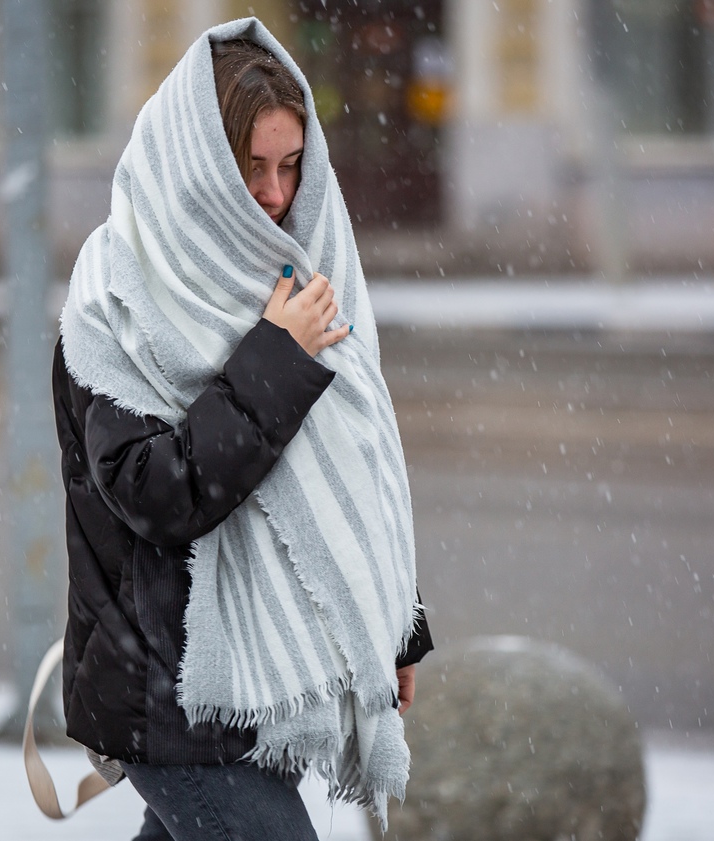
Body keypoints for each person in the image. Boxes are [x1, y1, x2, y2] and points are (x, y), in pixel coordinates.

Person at [52, 19, 431, 841]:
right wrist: (276, 355)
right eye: (250, 167)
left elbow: (357, 452)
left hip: (271, 686)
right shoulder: (117, 295)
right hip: (174, 698)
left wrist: (394, 625)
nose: (273, 194)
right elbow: (159, 493)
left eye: (291, 165)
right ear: (197, 161)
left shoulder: (302, 258)